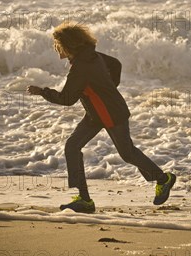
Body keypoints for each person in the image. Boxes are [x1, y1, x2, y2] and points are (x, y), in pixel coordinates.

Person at [27, 22, 176, 214]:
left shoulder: (81, 67)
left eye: (57, 44)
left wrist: (42, 92)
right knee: (72, 146)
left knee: (127, 153)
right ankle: (84, 200)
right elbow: (116, 65)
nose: (55, 48)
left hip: (111, 113)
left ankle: (164, 179)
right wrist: (107, 87)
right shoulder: (91, 55)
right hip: (95, 113)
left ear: (67, 45)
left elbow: (66, 99)